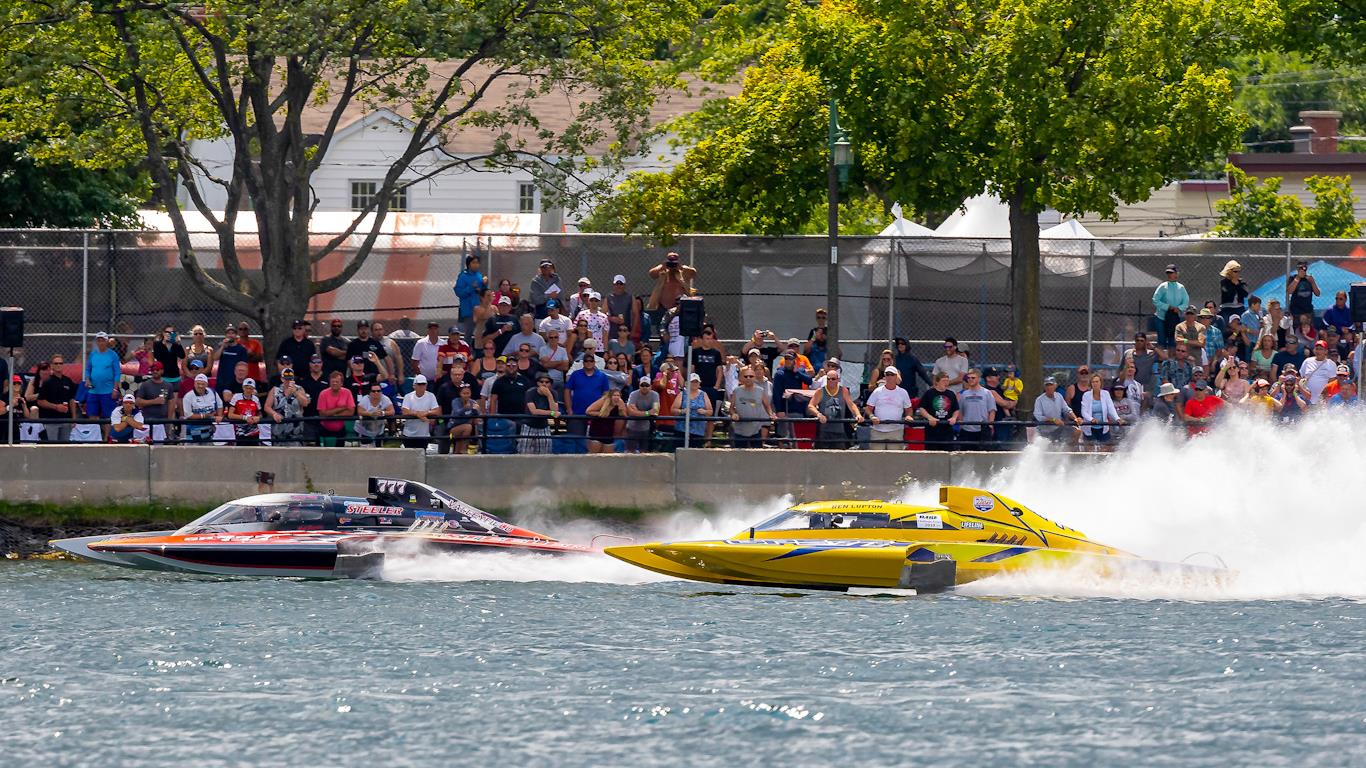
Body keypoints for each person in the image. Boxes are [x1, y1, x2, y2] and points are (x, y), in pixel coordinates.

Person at [806, 367, 861, 450]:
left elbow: (851, 404)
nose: (831, 381)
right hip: (824, 430)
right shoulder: (820, 391)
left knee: (839, 455)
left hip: (839, 430)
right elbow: (811, 406)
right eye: (829, 379)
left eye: (833, 379)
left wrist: (858, 414)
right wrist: (818, 414)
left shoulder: (843, 391)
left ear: (838, 380)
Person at [83, 332, 123, 439]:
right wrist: (87, 379)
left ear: (106, 341)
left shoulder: (113, 355)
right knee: (92, 414)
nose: (100, 342)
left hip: (107, 391)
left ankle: (106, 438)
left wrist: (115, 388)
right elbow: (88, 369)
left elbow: (117, 373)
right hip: (94, 390)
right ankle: (94, 436)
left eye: (103, 340)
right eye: (99, 340)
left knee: (107, 416)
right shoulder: (93, 354)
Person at [864, 366, 912, 450]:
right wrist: (872, 416)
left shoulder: (903, 392)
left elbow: (909, 409)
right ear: (884, 376)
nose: (889, 377)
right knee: (876, 458)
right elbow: (868, 408)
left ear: (896, 376)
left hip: (896, 431)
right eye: (887, 374)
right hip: (878, 431)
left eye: (892, 374)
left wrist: (908, 416)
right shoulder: (877, 391)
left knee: (894, 459)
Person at [33, 357, 78, 443]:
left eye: (60, 363)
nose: (58, 365)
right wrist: (56, 407)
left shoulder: (68, 381)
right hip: (51, 420)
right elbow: (40, 401)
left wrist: (74, 418)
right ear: (52, 366)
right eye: (56, 363)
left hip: (66, 420)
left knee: (65, 446)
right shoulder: (47, 381)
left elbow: (72, 400)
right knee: (52, 446)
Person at [730, 366, 775, 448]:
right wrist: (733, 414)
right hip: (740, 430)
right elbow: (731, 408)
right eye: (746, 376)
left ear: (754, 377)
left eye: (751, 376)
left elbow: (767, 406)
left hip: (755, 429)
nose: (748, 378)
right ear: (741, 378)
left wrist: (771, 414)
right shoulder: (736, 391)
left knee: (756, 455)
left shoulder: (760, 391)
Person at [263, 367, 309, 445]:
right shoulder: (275, 390)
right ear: (282, 379)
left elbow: (305, 403)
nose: (288, 381)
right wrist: (274, 414)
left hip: (295, 430)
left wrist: (295, 392)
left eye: (290, 379)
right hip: (278, 429)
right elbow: (267, 406)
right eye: (286, 379)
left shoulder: (299, 389)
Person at [134, 362, 176, 443]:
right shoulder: (145, 385)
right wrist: (154, 401)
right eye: (153, 370)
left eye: (157, 369)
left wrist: (169, 421)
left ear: (162, 371)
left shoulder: (168, 386)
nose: (155, 371)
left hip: (162, 421)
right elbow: (138, 402)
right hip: (147, 421)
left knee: (160, 446)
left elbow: (171, 403)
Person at [917, 372, 960, 450]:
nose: (946, 383)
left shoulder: (951, 394)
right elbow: (921, 408)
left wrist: (954, 418)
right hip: (932, 430)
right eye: (943, 381)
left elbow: (956, 409)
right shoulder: (929, 393)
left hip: (947, 429)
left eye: (947, 381)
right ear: (937, 381)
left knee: (947, 453)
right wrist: (930, 417)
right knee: (932, 453)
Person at [1032, 376, 1080, 444]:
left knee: (1077, 431)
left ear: (1055, 386)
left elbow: (1067, 410)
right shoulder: (1039, 400)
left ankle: (1070, 451)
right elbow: (1038, 416)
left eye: (1051, 385)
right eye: (1047, 385)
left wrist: (1075, 418)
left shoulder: (1059, 396)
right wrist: (1053, 420)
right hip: (1044, 431)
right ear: (1044, 387)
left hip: (1058, 428)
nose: (1049, 387)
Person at [956, 369, 997, 449]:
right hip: (967, 429)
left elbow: (992, 410)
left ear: (979, 378)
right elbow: (960, 411)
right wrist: (961, 424)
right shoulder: (964, 394)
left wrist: (990, 425)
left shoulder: (987, 393)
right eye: (969, 378)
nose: (970, 380)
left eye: (973, 378)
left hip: (982, 428)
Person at [1152, 264, 1189, 348]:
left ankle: (1172, 359)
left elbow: (1185, 302)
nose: (1169, 275)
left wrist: (1179, 308)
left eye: (1171, 273)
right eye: (1168, 273)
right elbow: (1155, 300)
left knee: (1173, 340)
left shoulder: (1181, 287)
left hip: (1174, 318)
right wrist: (1167, 307)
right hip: (1161, 317)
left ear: (1176, 274)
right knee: (1162, 340)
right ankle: (1161, 359)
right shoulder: (1162, 286)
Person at [519, 374, 558, 454]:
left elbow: (555, 410)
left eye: (547, 382)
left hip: (544, 426)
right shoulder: (530, 392)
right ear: (537, 383)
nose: (544, 384)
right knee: (524, 452)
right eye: (541, 382)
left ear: (550, 384)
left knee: (545, 453)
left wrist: (549, 396)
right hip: (529, 425)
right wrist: (551, 412)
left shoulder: (553, 393)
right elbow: (534, 411)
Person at [400, 374, 440, 449]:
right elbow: (405, 411)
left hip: (424, 435)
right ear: (414, 385)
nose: (422, 386)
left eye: (423, 384)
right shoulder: (408, 396)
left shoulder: (431, 396)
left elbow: (437, 410)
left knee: (422, 456)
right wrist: (418, 414)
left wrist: (426, 413)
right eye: (419, 384)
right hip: (409, 434)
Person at [317, 371, 356, 446]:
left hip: (340, 429)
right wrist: (341, 408)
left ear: (341, 383)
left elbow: (351, 411)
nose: (334, 383)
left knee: (340, 453)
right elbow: (322, 413)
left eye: (337, 381)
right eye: (332, 381)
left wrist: (333, 415)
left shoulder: (347, 392)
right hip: (324, 429)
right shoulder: (323, 394)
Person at [675, 373, 714, 447]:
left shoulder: (703, 394)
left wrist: (704, 412)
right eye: (692, 382)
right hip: (682, 429)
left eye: (696, 382)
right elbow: (673, 410)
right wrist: (682, 411)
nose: (694, 383)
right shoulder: (682, 394)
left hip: (698, 430)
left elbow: (710, 411)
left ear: (699, 383)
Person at [181, 374, 221, 444]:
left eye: (203, 384)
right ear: (194, 384)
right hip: (192, 433)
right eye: (198, 383)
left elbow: (220, 404)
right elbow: (188, 415)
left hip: (209, 432)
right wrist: (205, 416)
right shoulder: (188, 396)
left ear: (207, 384)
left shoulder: (213, 392)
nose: (200, 386)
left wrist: (219, 416)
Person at [587, 387, 628, 454]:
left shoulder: (620, 402)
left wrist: (621, 409)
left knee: (608, 457)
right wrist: (601, 414)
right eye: (614, 395)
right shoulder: (603, 401)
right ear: (610, 396)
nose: (616, 397)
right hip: (597, 431)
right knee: (593, 455)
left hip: (609, 432)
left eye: (618, 395)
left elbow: (625, 416)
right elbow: (588, 411)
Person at [454, 255, 487, 337]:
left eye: (477, 263)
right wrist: (470, 288)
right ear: (469, 264)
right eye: (474, 263)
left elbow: (481, 292)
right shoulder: (463, 276)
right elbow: (459, 292)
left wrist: (484, 285)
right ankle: (468, 348)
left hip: (480, 309)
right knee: (469, 333)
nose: (476, 265)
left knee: (480, 332)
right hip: (469, 310)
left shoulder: (479, 275)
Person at [625, 376, 660, 453]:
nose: (644, 387)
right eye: (642, 385)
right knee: (630, 452)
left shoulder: (655, 395)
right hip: (632, 427)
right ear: (639, 386)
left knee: (644, 452)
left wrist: (638, 412)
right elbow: (631, 412)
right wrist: (647, 413)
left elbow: (655, 411)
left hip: (646, 428)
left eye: (647, 385)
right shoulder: (633, 394)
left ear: (651, 386)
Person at [445, 383, 481, 455]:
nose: (466, 395)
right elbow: (457, 413)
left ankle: (458, 452)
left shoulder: (473, 402)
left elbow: (476, 417)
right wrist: (464, 408)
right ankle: (463, 450)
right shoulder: (455, 401)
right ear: (460, 394)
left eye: (468, 393)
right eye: (464, 393)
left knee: (469, 427)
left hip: (465, 430)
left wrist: (476, 410)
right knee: (467, 427)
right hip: (453, 429)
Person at [152, 325, 187, 391]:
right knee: (164, 399)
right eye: (167, 332)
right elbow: (157, 357)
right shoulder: (157, 344)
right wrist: (164, 342)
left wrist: (178, 343)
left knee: (174, 400)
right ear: (163, 333)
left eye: (171, 332)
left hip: (175, 377)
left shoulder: (175, 345)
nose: (169, 334)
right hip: (163, 378)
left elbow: (182, 356)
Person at [606, 274, 635, 339]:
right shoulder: (609, 297)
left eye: (621, 284)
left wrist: (633, 331)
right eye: (617, 284)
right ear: (614, 285)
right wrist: (612, 319)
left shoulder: (630, 297)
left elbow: (635, 315)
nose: (619, 286)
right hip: (612, 332)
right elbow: (603, 314)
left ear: (624, 285)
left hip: (626, 331)